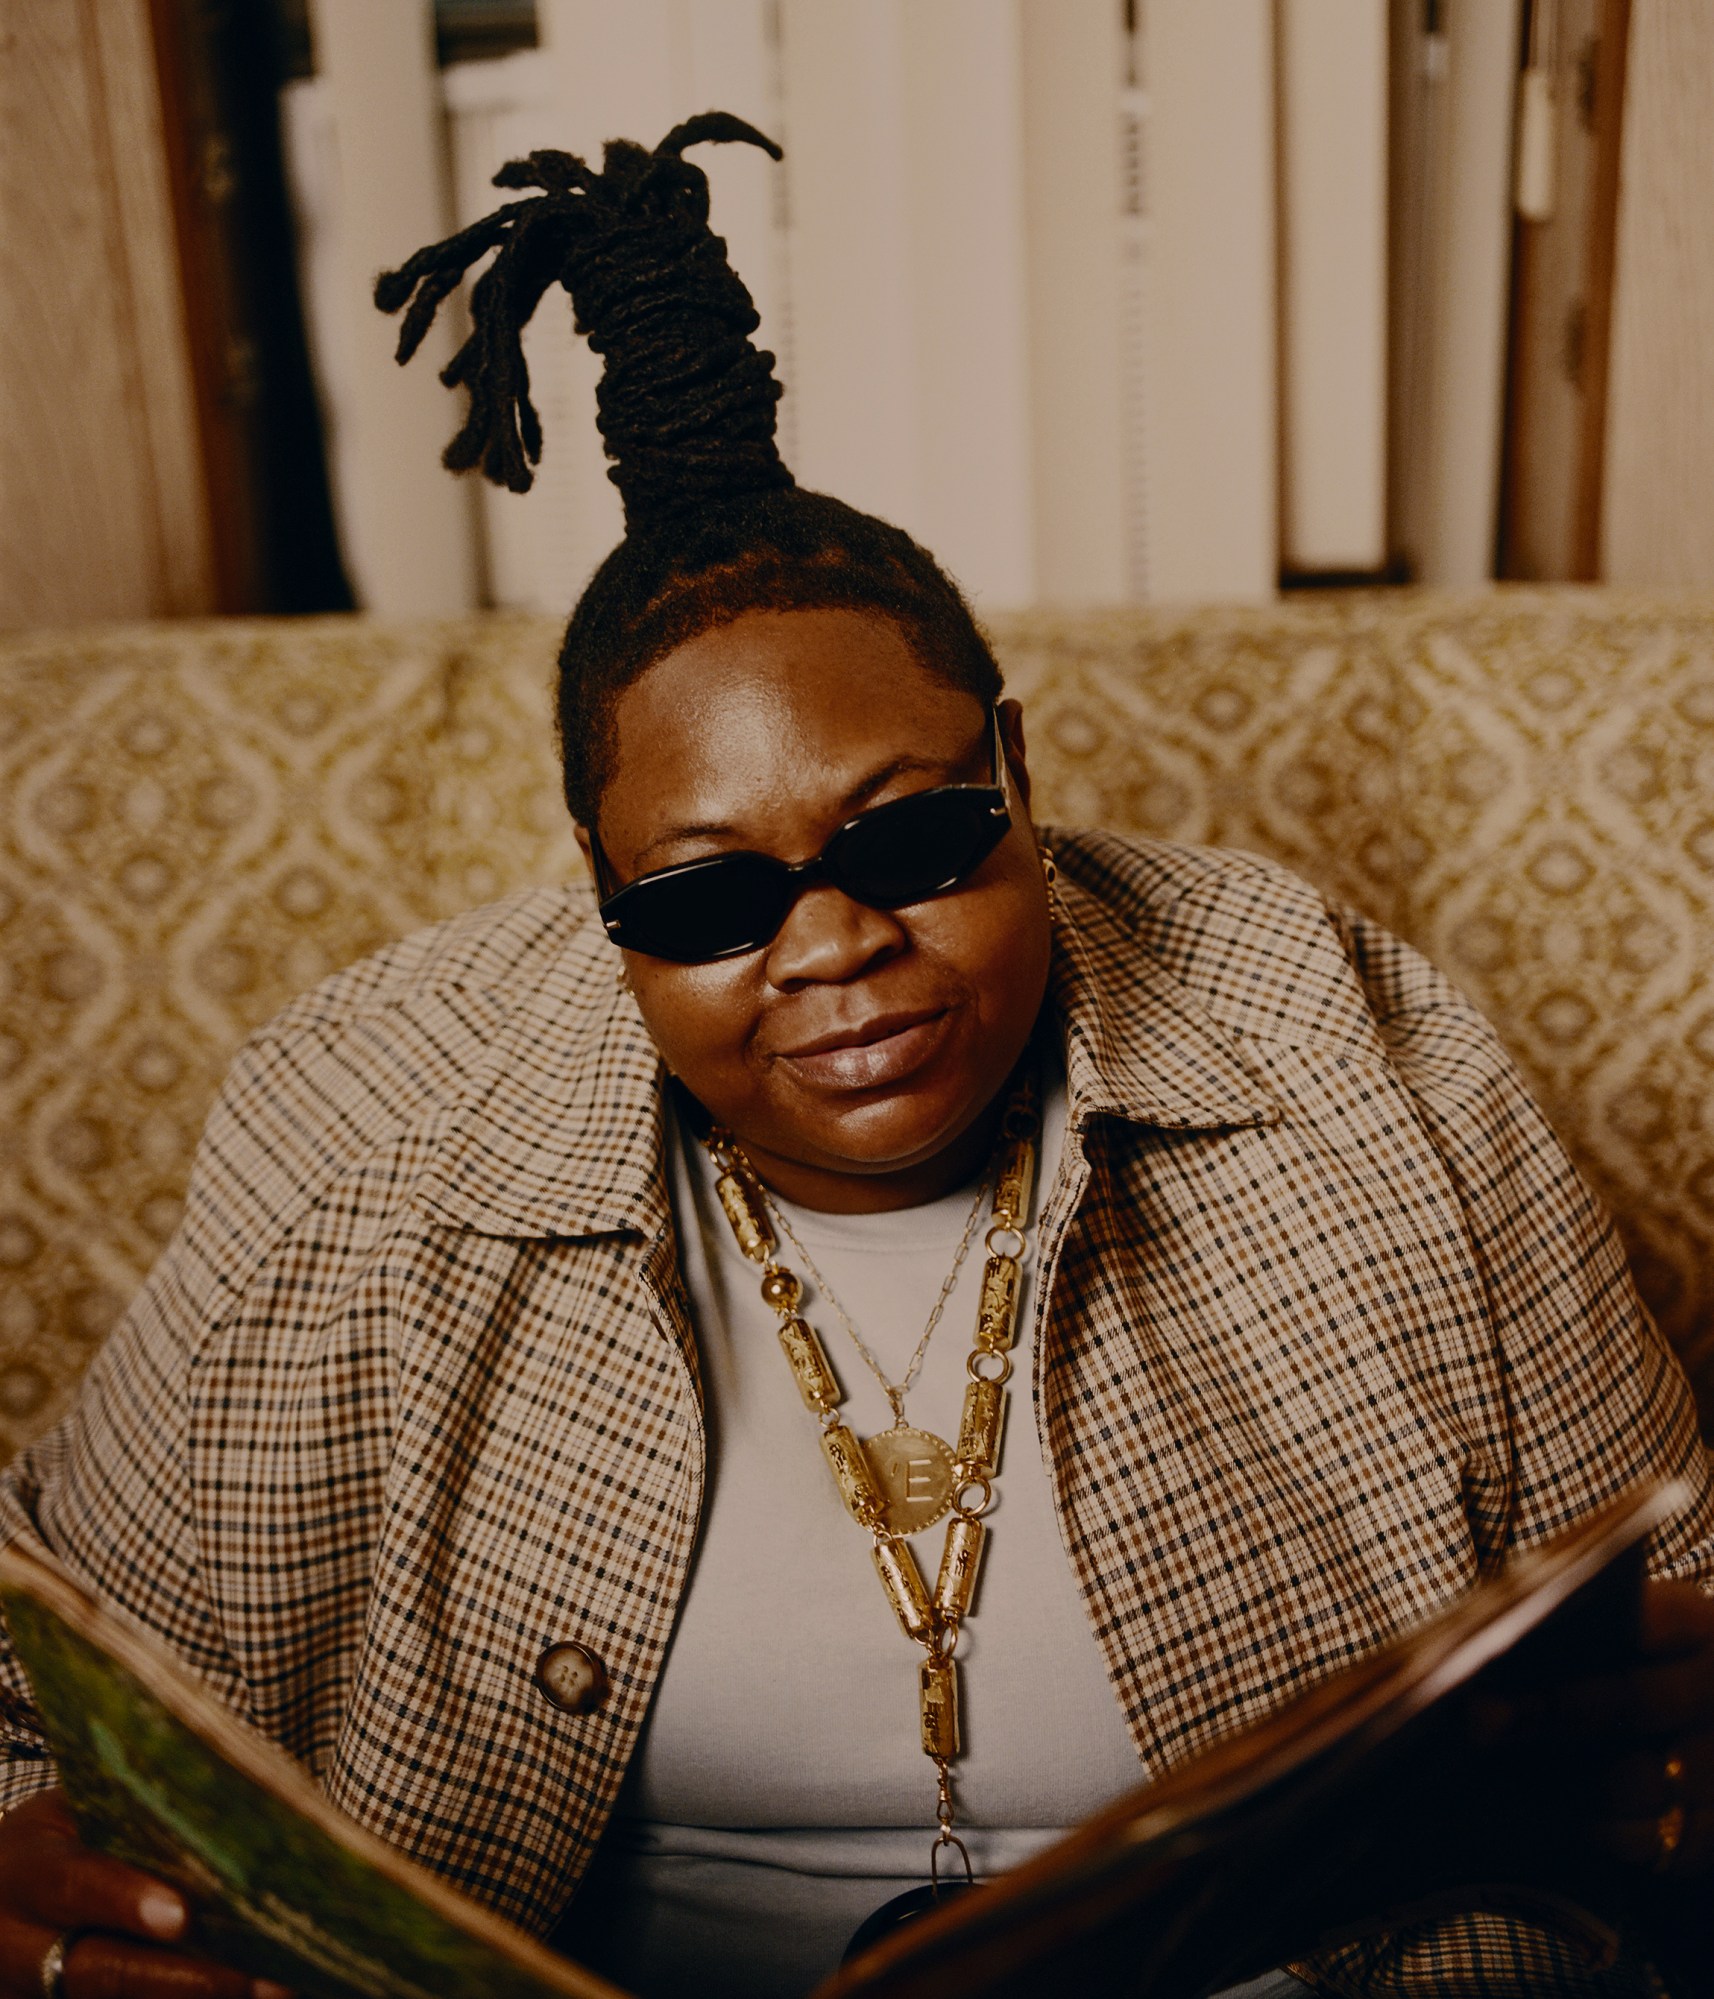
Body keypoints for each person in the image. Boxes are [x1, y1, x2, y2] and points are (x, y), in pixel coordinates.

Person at [0, 115, 1709, 1999]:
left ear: (1020, 781)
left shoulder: (1348, 1046)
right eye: (706, 902)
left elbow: (1665, 1601)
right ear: (600, 888)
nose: (831, 951)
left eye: (906, 842)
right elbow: (34, 1656)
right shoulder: (376, 1117)